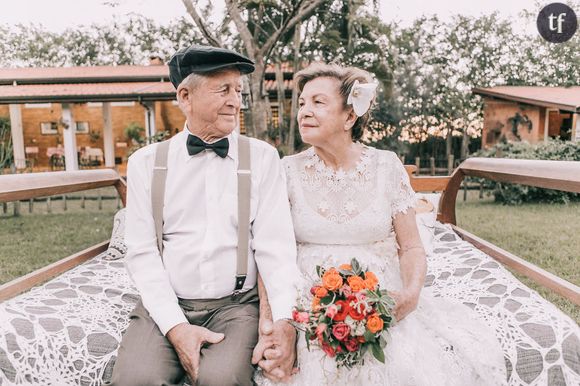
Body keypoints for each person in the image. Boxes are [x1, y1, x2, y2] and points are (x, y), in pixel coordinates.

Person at [254, 62, 507, 385]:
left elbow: (411, 245)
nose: (304, 111)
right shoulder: (286, 170)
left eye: (318, 102)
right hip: (306, 304)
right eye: (302, 103)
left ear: (349, 116)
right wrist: (276, 323)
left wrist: (410, 295)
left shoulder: (386, 166)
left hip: (377, 299)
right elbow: (270, 252)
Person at [109, 45, 299, 386]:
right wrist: (175, 326)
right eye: (223, 90)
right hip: (167, 302)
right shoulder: (146, 163)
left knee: (221, 380)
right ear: (185, 96)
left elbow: (276, 248)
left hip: (237, 307)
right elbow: (142, 253)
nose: (236, 101)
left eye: (238, 91)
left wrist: (284, 321)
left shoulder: (263, 158)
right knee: (135, 379)